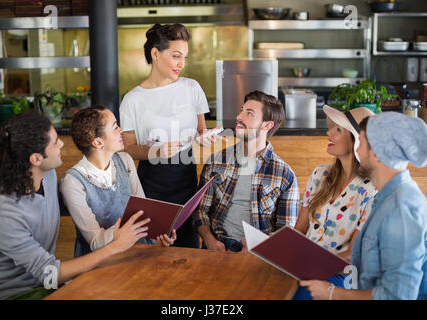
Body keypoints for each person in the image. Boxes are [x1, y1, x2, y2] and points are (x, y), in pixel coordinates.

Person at [0, 112, 150, 300]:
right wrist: (115, 246)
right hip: (12, 294)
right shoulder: (4, 210)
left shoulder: (47, 176)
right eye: (55, 142)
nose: (62, 144)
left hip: (45, 286)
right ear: (35, 159)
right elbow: (50, 273)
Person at [301, 112, 427, 300]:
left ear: (376, 153)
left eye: (361, 143)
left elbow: (398, 296)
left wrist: (332, 293)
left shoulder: (401, 208)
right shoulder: (387, 197)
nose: (357, 151)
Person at [119, 23, 222, 248]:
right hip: (150, 186)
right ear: (155, 53)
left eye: (184, 56)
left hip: (186, 181)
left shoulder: (192, 88)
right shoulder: (132, 100)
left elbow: (200, 130)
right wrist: (156, 151)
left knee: (188, 251)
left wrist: (205, 136)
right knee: (152, 254)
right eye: (176, 56)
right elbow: (128, 148)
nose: (181, 63)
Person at [60, 105, 176, 257]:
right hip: (100, 264)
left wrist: (158, 233)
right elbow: (95, 242)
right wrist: (128, 226)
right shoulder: (72, 181)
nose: (121, 130)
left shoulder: (125, 160)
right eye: (115, 127)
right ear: (98, 142)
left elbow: (143, 211)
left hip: (138, 253)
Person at [192, 91, 299, 252]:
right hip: (215, 248)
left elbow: (286, 231)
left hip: (260, 255)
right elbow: (200, 211)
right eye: (241, 110)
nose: (239, 117)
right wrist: (210, 240)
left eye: (249, 113)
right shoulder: (216, 162)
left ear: (267, 125)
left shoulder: (284, 175)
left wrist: (258, 251)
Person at [292, 105, 378, 300]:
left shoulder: (371, 189)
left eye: (338, 130)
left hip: (342, 275)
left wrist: (315, 268)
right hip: (304, 266)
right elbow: (299, 231)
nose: (328, 132)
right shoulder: (319, 174)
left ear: (357, 141)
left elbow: (353, 255)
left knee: (300, 295)